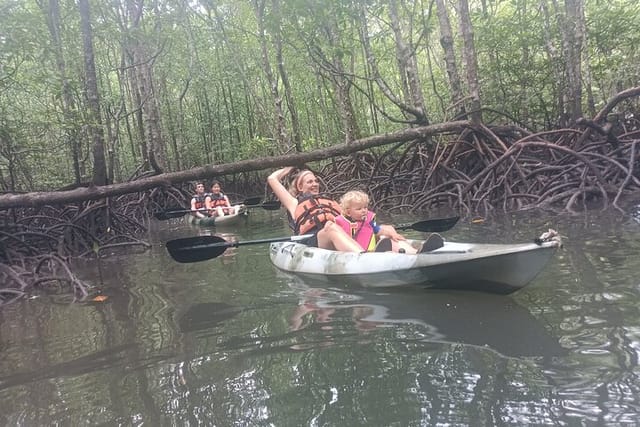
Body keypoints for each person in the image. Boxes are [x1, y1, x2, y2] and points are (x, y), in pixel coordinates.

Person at [267, 167, 408, 252]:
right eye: (310, 182)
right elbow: (272, 179)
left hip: (342, 234)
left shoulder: (331, 202)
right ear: (300, 187)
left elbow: (352, 219)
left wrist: (381, 229)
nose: (315, 184)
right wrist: (291, 166)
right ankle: (362, 257)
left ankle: (414, 252)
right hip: (314, 239)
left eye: (316, 181)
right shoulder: (294, 203)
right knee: (330, 227)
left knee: (384, 229)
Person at [335, 190, 419, 253]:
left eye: (365, 207)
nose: (364, 211)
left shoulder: (370, 220)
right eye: (359, 209)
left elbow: (377, 229)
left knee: (390, 237)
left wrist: (392, 234)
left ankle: (415, 252)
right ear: (348, 212)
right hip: (356, 253)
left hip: (371, 250)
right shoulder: (340, 223)